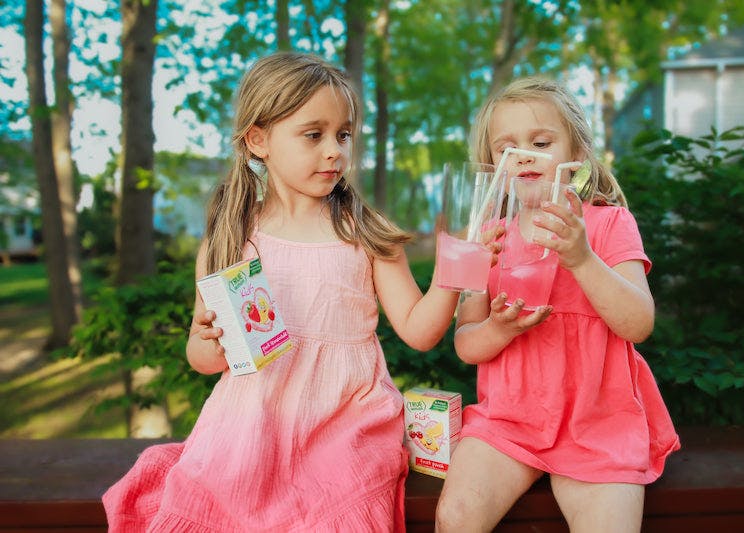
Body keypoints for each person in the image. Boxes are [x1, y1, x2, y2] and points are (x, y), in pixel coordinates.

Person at [103, 51, 466, 532]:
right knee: (221, 502)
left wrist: (452, 271)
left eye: (343, 135)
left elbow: (420, 332)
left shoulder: (365, 233)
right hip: (252, 421)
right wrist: (207, 341)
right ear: (259, 140)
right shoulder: (232, 239)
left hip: (346, 422)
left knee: (334, 510)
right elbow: (204, 358)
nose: (334, 150)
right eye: (313, 135)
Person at [435, 77, 681, 533]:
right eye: (506, 146)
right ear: (492, 163)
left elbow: (638, 323)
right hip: (509, 423)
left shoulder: (607, 225)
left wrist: (582, 259)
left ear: (578, 154)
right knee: (455, 516)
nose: (523, 154)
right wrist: (501, 330)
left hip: (599, 425)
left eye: (540, 141)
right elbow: (467, 345)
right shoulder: (488, 238)